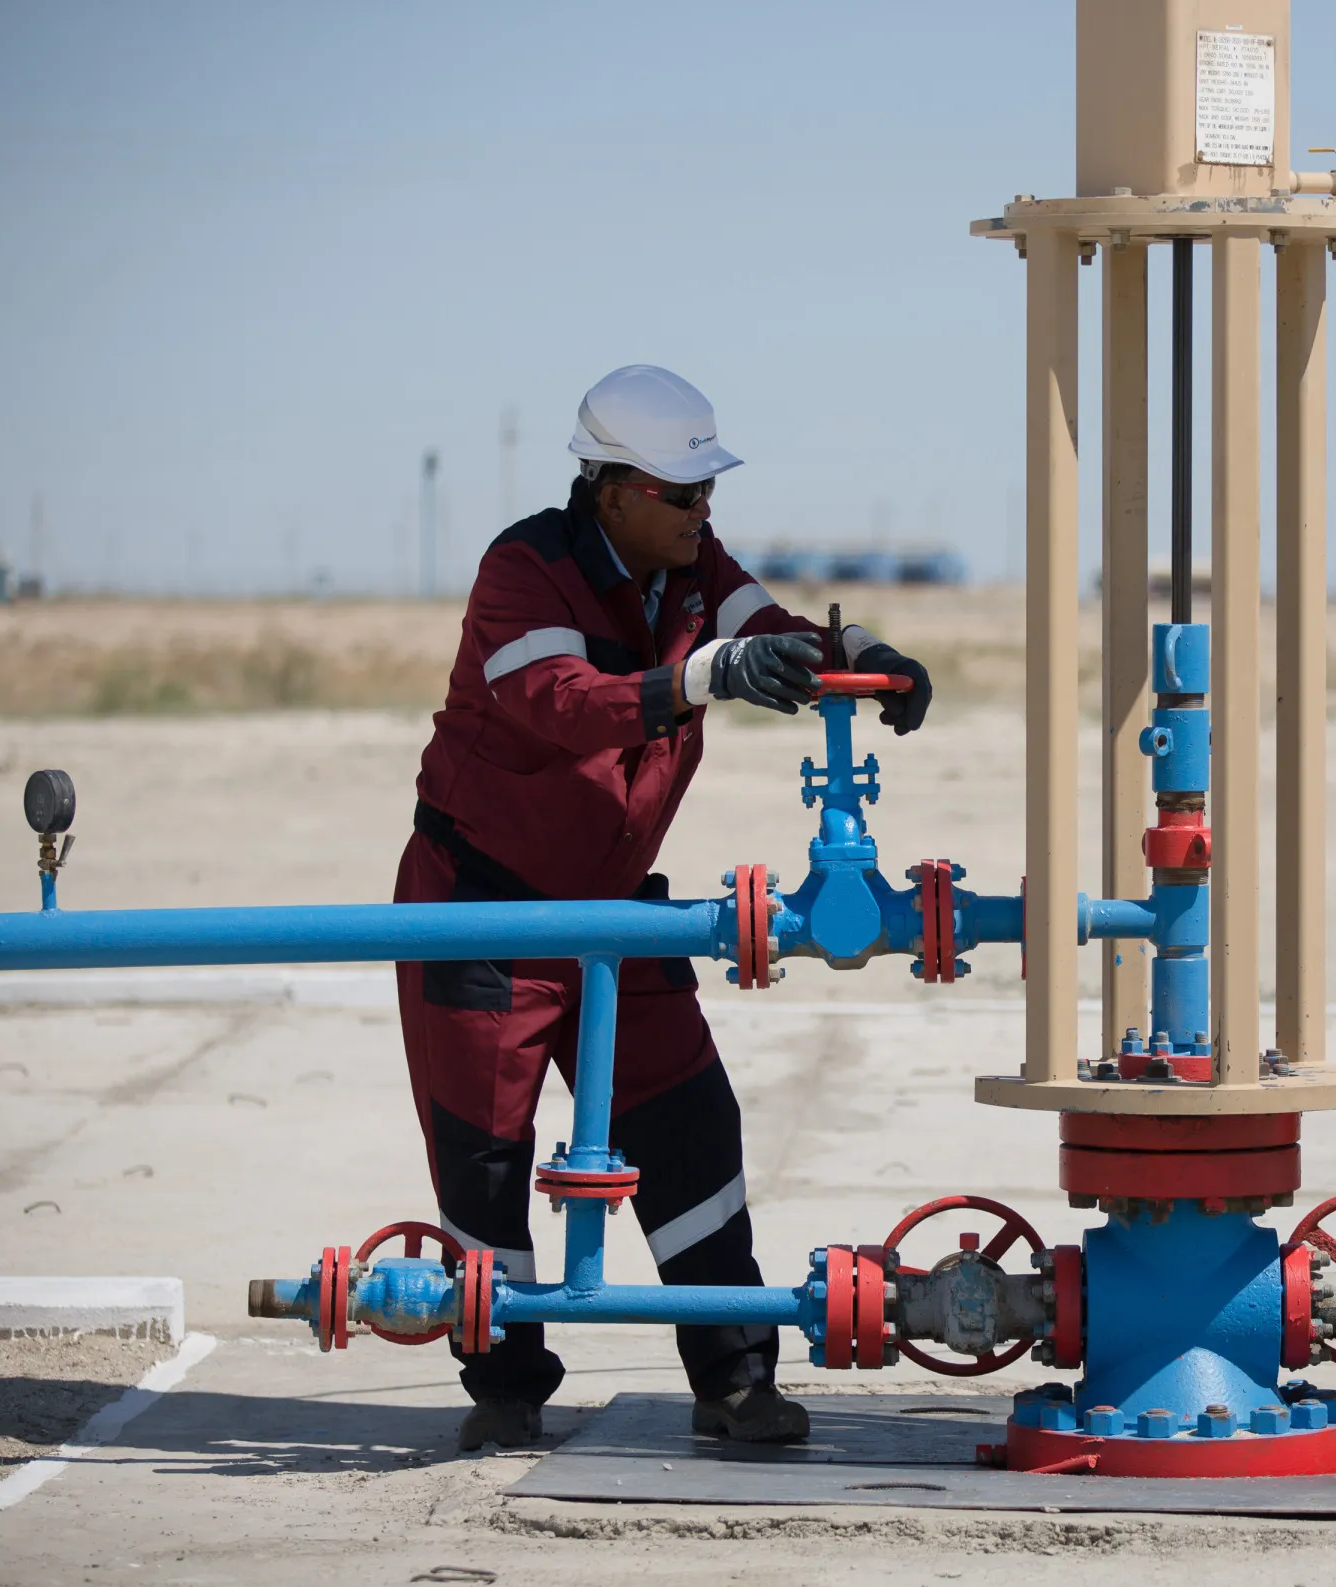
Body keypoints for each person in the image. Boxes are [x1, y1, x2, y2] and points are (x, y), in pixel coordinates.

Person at [394, 365, 933, 1451]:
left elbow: (766, 623)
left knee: (690, 1125)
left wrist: (866, 659)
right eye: (682, 494)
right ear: (611, 491)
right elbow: (563, 707)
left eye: (706, 492)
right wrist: (709, 677)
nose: (703, 512)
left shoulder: (690, 572)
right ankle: (506, 1388)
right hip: (485, 909)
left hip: (614, 914)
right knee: (486, 1159)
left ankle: (733, 1380)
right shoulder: (524, 571)